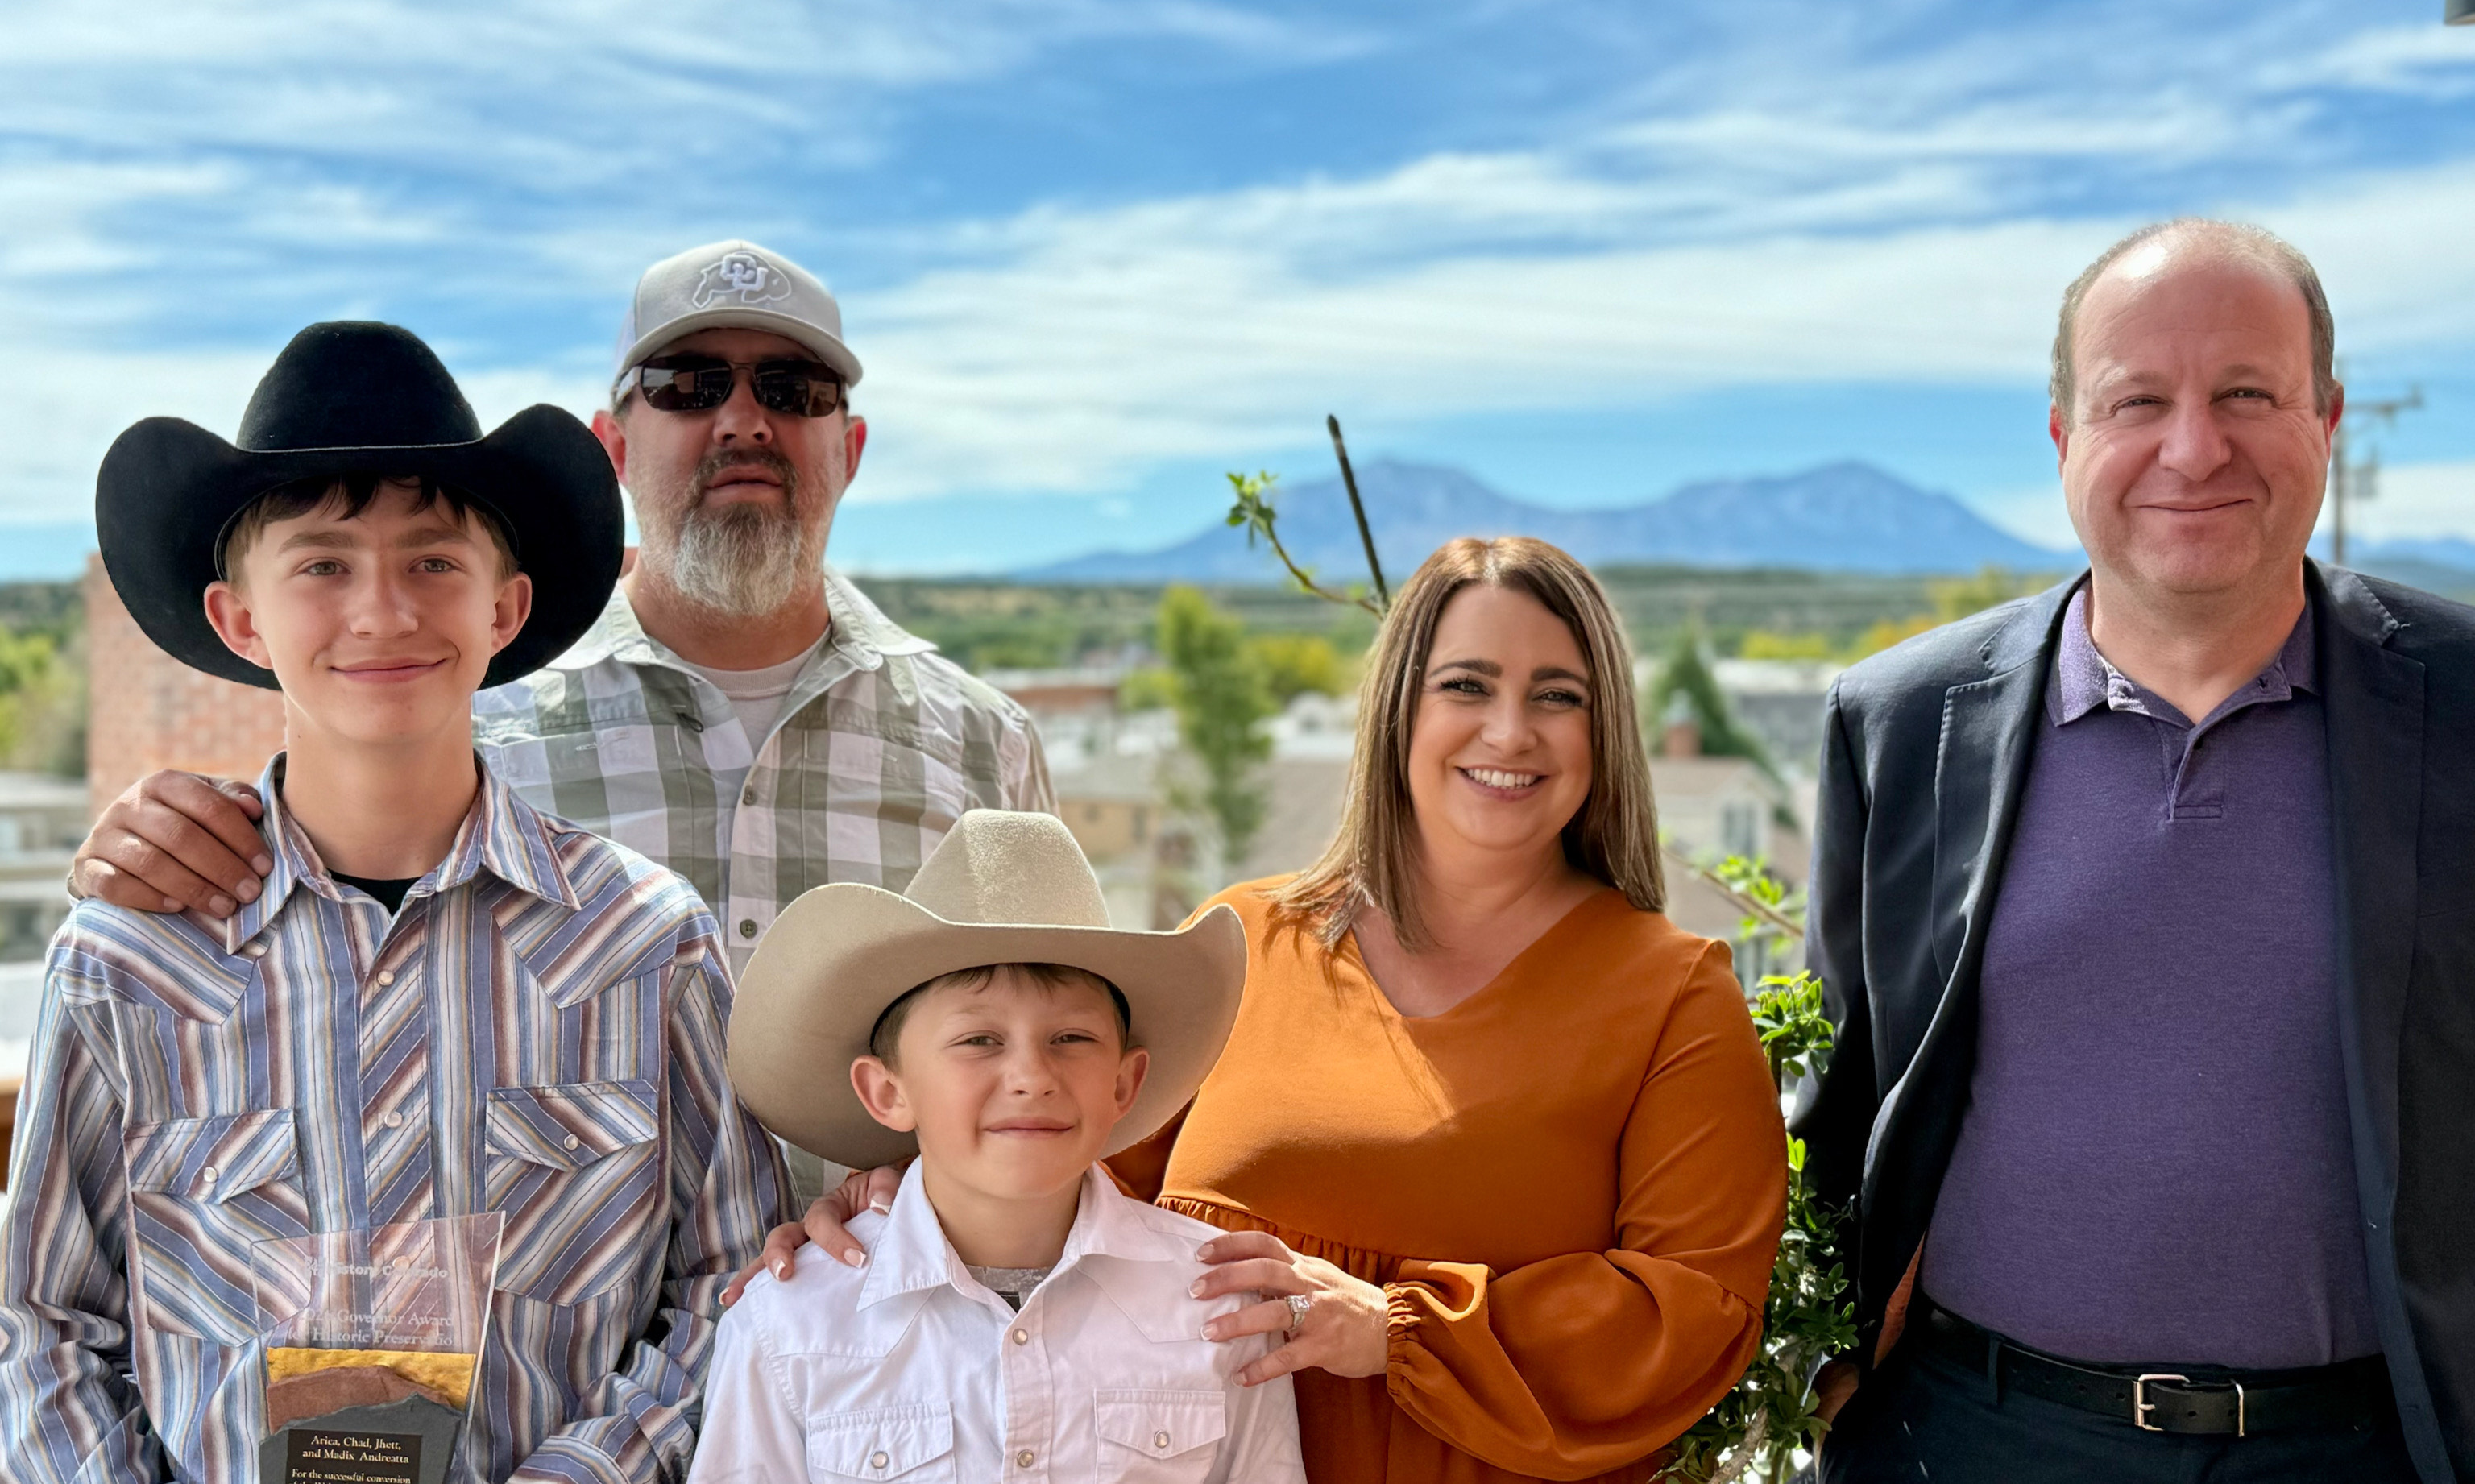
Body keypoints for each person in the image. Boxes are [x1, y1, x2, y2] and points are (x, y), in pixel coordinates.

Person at [754, 537, 1790, 1482]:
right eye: (1467, 684)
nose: (1509, 730)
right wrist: (888, 1217)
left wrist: (1396, 1328)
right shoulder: (1245, 947)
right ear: (1399, 712)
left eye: (1557, 695)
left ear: (1603, 728)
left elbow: (1694, 1312)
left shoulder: (1673, 995)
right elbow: (1064, 1193)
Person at [65, 240, 1053, 1212]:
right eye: (688, 384)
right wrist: (149, 848)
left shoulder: (986, 748)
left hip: (914, 1347)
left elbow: (1056, 1047)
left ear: (853, 448)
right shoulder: (467, 716)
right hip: (583, 1365)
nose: (743, 419)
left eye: (794, 389)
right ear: (615, 446)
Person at [0, 322, 786, 1482]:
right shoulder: (129, 961)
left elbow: (737, 1279)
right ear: (241, 620)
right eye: (322, 564)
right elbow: (39, 1322)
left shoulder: (645, 944)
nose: (383, 609)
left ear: (504, 610)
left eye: (433, 561)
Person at [1797, 218, 2475, 1483]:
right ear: (2064, 437)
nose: (2192, 446)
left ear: (2327, 418)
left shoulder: (2466, 704)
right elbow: (1846, 1094)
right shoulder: (1898, 724)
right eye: (2138, 400)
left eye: (2246, 394)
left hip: (2375, 1447)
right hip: (1973, 1438)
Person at [692, 809, 1306, 1482]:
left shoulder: (1220, 1304)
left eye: (1071, 1039)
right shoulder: (791, 1324)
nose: (1032, 1078)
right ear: (888, 1092)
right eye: (979, 1041)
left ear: (1125, 1083)